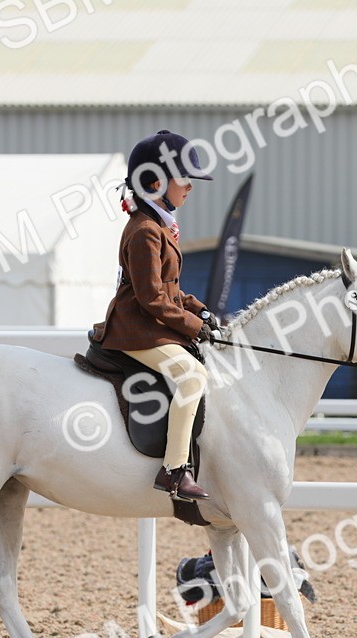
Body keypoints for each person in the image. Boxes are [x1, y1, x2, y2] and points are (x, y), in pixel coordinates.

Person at [91, 130, 217, 501]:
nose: (190, 186)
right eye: (184, 178)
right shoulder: (146, 230)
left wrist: (202, 311)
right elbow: (151, 298)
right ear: (156, 182)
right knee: (193, 375)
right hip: (135, 329)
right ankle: (175, 470)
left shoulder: (160, 225)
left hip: (150, 324)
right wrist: (194, 327)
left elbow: (171, 291)